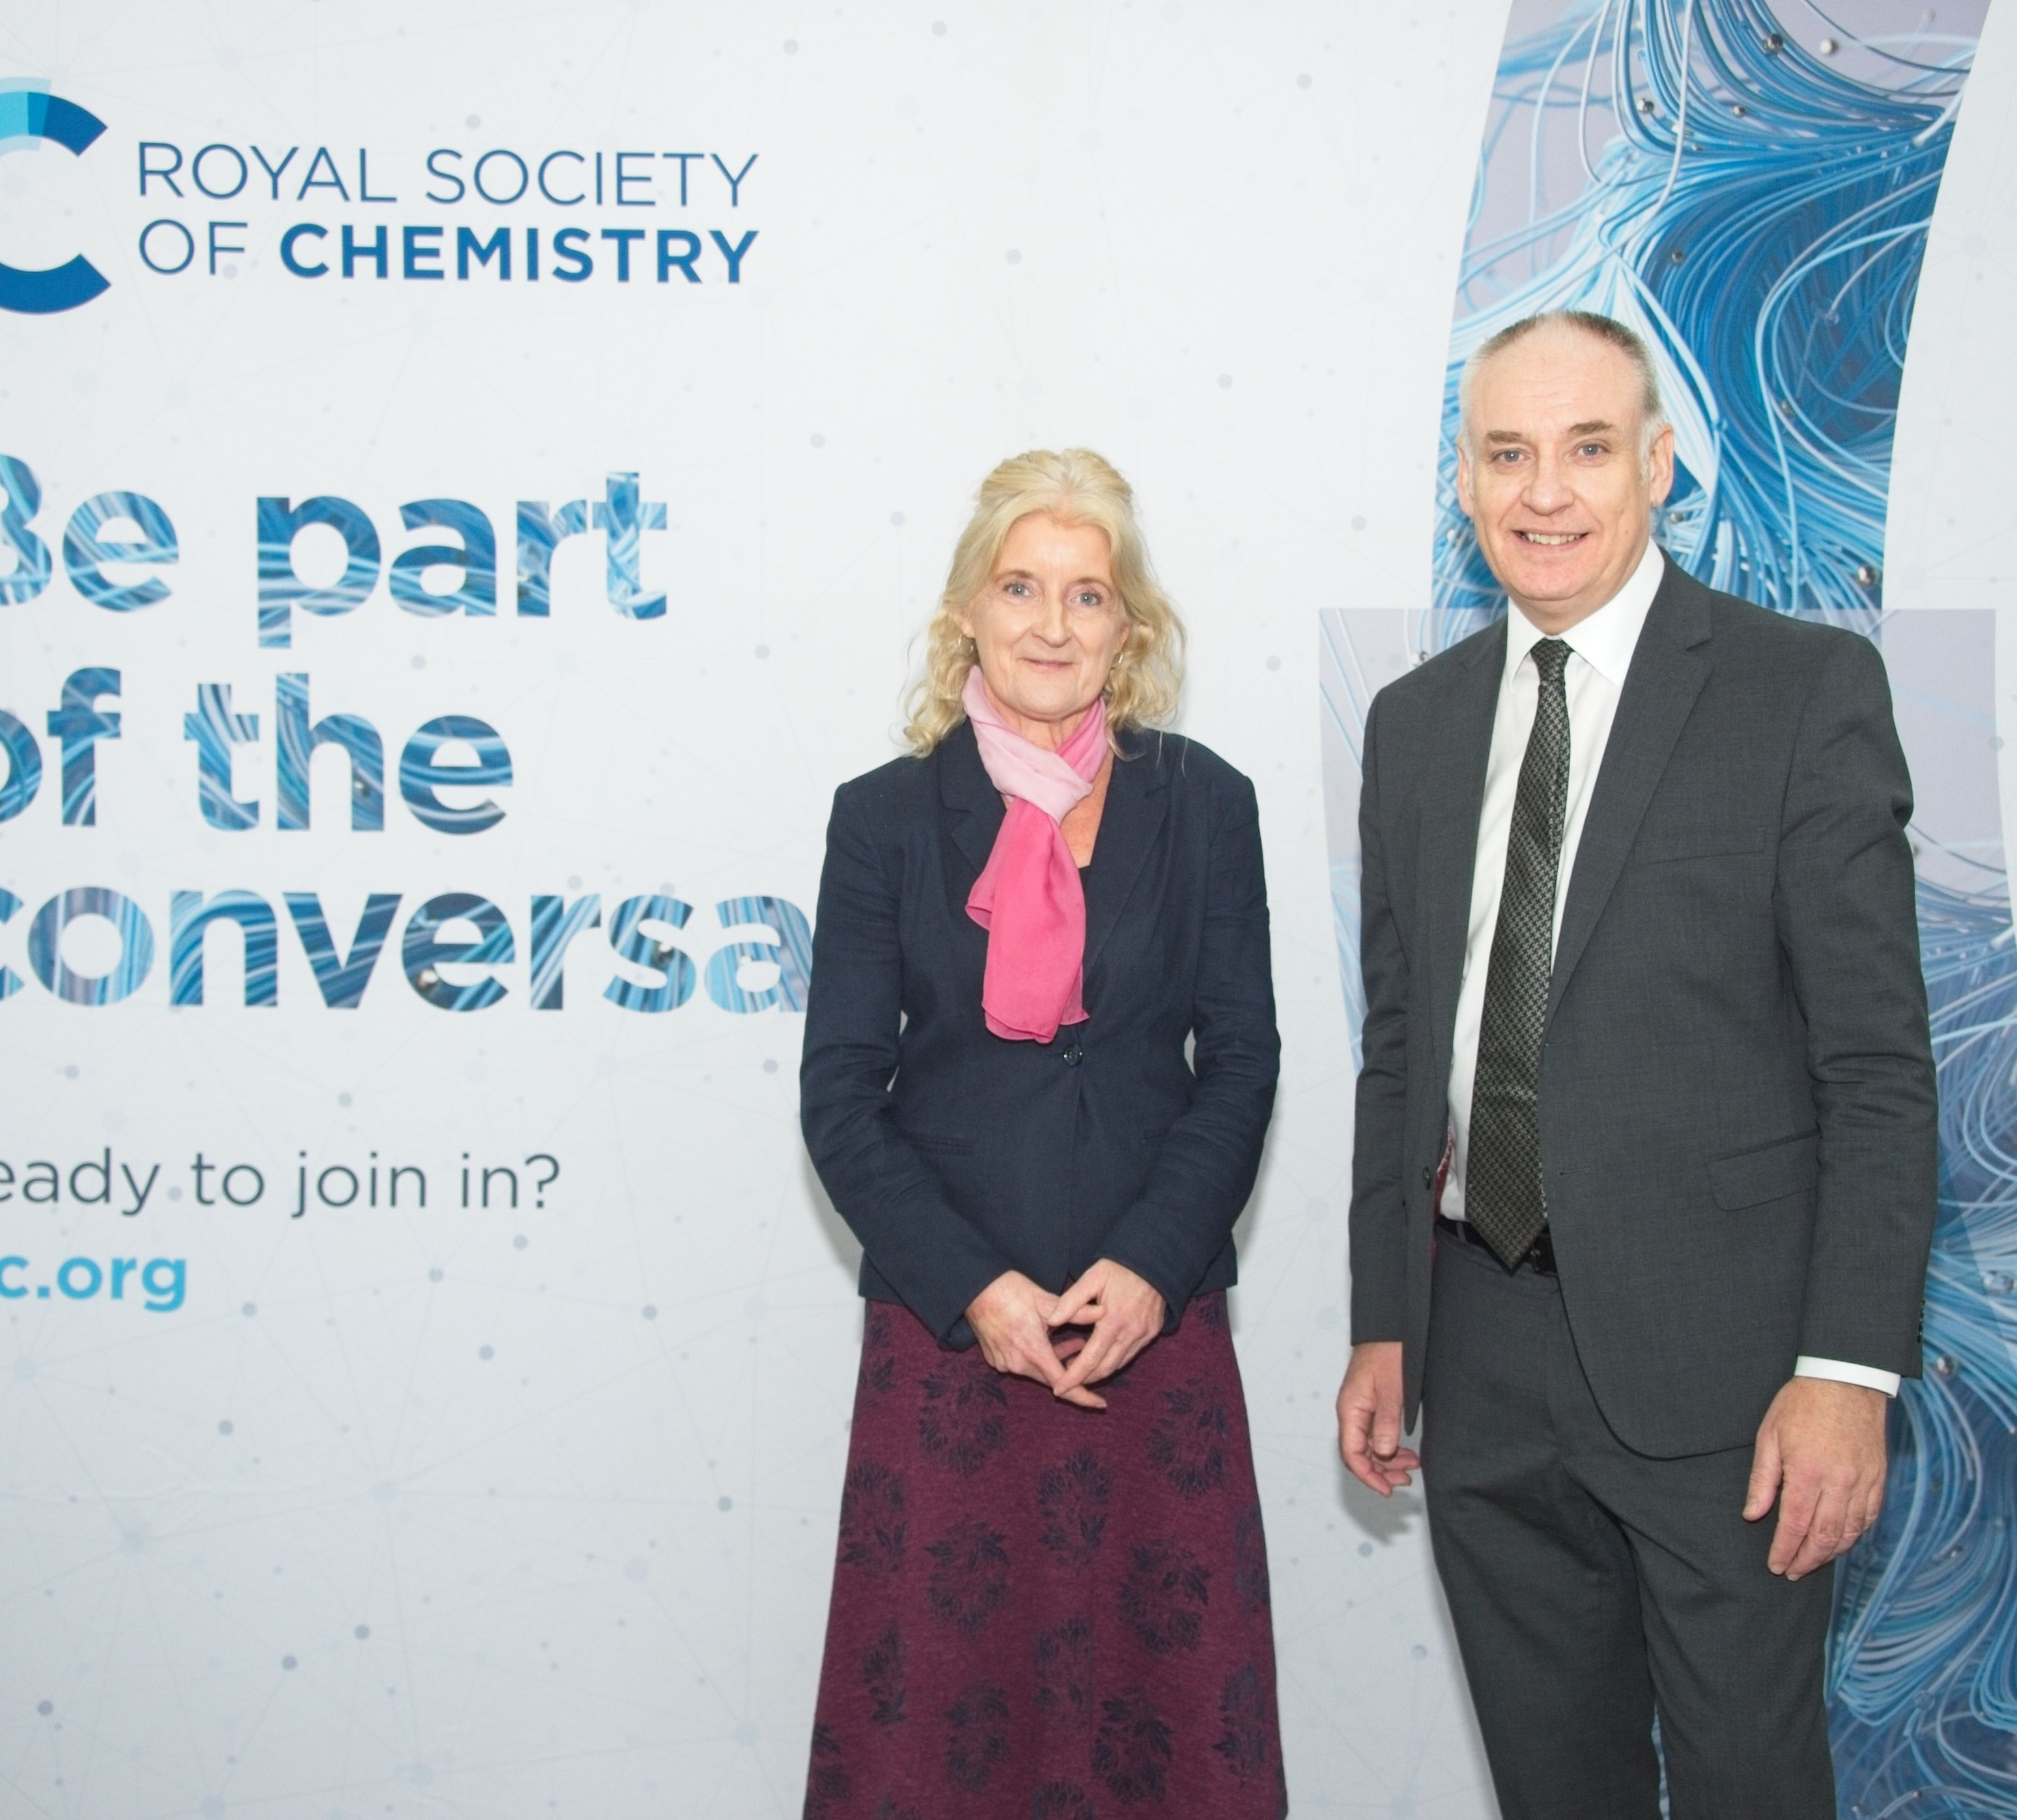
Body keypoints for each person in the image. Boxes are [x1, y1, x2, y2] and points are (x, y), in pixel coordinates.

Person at [1334, 311, 1936, 1819]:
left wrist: (1846, 1373)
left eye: (1587, 448)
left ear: (1659, 465)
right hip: (1478, 1351)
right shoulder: (1412, 726)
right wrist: (1385, 1322)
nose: (1546, 492)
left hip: (1733, 1385)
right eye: (1508, 455)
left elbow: (1877, 1069)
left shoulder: (1801, 692)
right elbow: (1402, 1057)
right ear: (1464, 486)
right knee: (1555, 1791)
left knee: (1749, 1786)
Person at [799, 449, 1288, 1820]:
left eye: (1088, 595)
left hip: (1155, 1330)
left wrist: (1152, 1264)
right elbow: (840, 1095)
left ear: (1129, 628)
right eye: (1022, 587)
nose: (1052, 625)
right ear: (967, 607)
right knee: (941, 1719)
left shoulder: (1206, 804)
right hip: (949, 1340)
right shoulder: (884, 822)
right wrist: (972, 1292)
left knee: (1171, 1714)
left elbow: (1240, 1063)